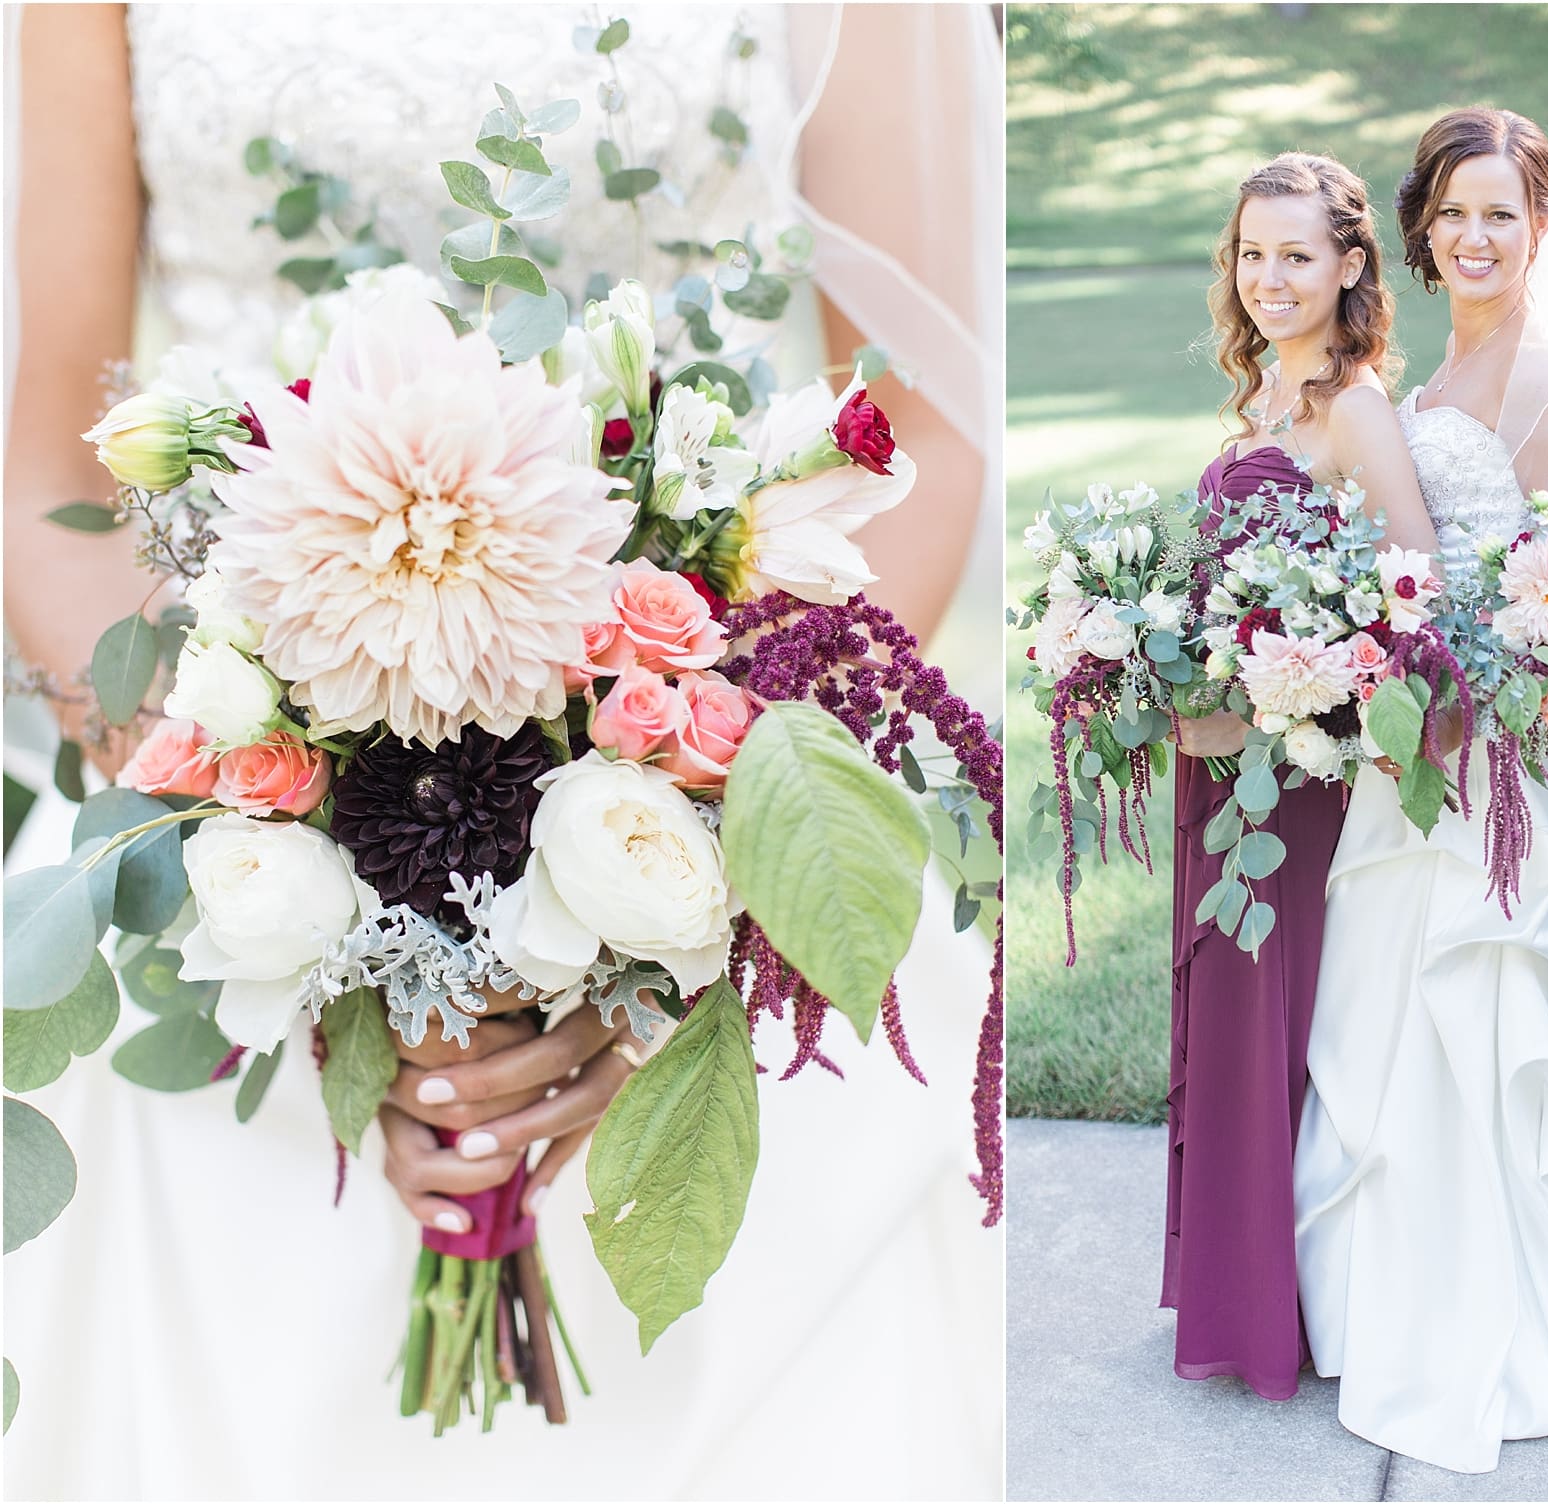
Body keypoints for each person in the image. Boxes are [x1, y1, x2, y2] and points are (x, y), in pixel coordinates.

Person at [2, 5, 1002, 1497]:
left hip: (707, 776)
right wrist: (267, 843)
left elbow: (911, 426)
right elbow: (44, 456)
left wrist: (654, 876)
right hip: (220, 825)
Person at [1291, 108, 1548, 1474]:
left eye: (1499, 211)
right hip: (1407, 745)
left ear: (1539, 227)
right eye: (1450, 213)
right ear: (1422, 234)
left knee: (1484, 1016)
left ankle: (1508, 1323)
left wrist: (1470, 685)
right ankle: (1381, 1294)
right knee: (1384, 1012)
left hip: (1497, 749)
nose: (1474, 235)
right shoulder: (1423, 379)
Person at [1161, 151, 1434, 1402]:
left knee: (1276, 1017)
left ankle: (1281, 1310)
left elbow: (1414, 593)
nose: (1268, 277)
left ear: (1350, 266)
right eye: (1250, 253)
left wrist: (1276, 701)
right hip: (1214, 762)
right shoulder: (1263, 398)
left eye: (1295, 255)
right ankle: (1231, 1291)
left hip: (1291, 777)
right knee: (1219, 1010)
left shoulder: (1356, 408)